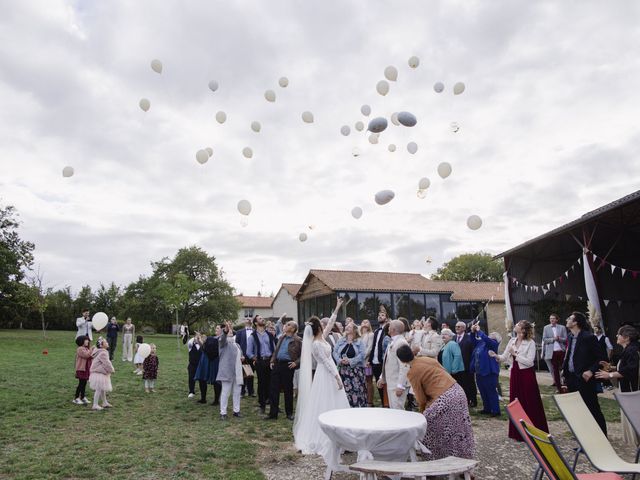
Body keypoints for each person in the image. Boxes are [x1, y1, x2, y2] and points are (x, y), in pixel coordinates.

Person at [293, 297, 348, 464]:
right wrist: (337, 377)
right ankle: (325, 436)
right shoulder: (316, 344)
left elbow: (331, 322)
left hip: (327, 372)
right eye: (322, 325)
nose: (326, 327)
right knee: (325, 402)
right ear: (318, 328)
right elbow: (326, 363)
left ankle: (341, 434)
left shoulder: (322, 337)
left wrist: (337, 307)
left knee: (333, 401)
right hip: (326, 374)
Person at [397, 344, 475, 460]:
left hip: (444, 399)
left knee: (428, 428)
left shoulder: (412, 372)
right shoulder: (427, 359)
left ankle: (434, 459)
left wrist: (423, 411)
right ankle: (464, 459)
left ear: (402, 361)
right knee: (460, 429)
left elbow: (421, 398)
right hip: (457, 391)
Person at [490, 320, 548, 441]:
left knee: (530, 401)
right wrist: (495, 356)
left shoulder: (530, 343)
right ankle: (518, 432)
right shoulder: (512, 341)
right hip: (515, 373)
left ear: (523, 330)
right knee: (516, 402)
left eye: (518, 324)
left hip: (526, 374)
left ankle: (534, 430)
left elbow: (530, 362)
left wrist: (515, 354)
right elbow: (504, 357)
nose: (515, 325)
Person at [562, 311, 607, 435]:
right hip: (572, 378)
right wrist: (564, 373)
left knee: (592, 408)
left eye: (570, 318)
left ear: (576, 322)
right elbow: (570, 355)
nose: (567, 320)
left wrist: (591, 371)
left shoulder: (588, 337)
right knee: (578, 410)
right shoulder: (570, 336)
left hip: (585, 379)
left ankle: (602, 437)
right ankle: (585, 439)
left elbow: (601, 358)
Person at [596, 325, 639, 447]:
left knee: (634, 417)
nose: (616, 336)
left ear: (626, 337)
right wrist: (611, 368)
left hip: (632, 390)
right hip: (629, 389)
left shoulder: (632, 350)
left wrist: (609, 375)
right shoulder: (630, 349)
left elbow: (631, 370)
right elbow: (626, 367)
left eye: (619, 334)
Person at [267, 321, 302, 420]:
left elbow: (304, 354)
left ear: (293, 329)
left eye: (288, 325)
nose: (285, 326)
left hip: (288, 366)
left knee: (288, 390)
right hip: (277, 364)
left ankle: (289, 413)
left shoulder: (298, 340)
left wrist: (296, 362)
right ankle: (273, 414)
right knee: (273, 389)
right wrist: (272, 360)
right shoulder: (281, 337)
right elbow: (276, 350)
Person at [377, 320, 410, 410]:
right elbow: (388, 361)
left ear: (393, 329)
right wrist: (382, 377)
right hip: (391, 382)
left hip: (397, 384)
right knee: (393, 410)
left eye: (390, 326)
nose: (388, 327)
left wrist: (400, 385)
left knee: (398, 410)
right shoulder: (393, 341)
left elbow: (404, 366)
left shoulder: (401, 343)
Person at [333, 321, 367, 408]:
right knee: (344, 391)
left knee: (357, 390)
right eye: (346, 326)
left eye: (349, 326)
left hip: (356, 371)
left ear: (355, 330)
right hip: (343, 371)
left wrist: (350, 361)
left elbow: (362, 355)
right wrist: (340, 360)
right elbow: (335, 352)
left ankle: (357, 407)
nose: (347, 327)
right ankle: (344, 408)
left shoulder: (359, 341)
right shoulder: (341, 340)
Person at [247, 314, 276, 414]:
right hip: (260, 362)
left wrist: (273, 359)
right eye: (260, 319)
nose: (262, 319)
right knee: (261, 384)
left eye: (263, 318)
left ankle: (272, 404)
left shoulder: (269, 335)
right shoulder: (252, 336)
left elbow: (274, 348)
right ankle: (262, 405)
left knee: (272, 384)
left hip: (270, 361)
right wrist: (254, 358)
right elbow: (248, 352)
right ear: (255, 323)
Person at [469, 323, 500, 416]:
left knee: (491, 391)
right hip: (479, 372)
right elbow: (473, 340)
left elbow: (486, 339)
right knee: (482, 391)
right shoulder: (481, 343)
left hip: (489, 372)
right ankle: (487, 408)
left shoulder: (493, 344)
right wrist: (472, 332)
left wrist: (479, 331)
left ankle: (495, 410)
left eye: (493, 334)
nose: (491, 334)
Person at [217, 321, 244, 420]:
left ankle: (236, 411)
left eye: (231, 330)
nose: (230, 332)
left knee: (237, 392)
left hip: (237, 372)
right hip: (227, 371)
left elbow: (240, 355)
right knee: (225, 392)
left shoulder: (237, 345)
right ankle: (223, 413)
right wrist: (225, 330)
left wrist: (242, 357)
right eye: (229, 331)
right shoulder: (223, 343)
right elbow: (222, 338)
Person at [367, 307, 390, 405]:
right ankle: (383, 404)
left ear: (387, 318)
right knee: (378, 384)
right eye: (379, 315)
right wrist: (370, 360)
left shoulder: (388, 330)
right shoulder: (376, 331)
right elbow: (374, 347)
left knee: (386, 385)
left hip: (384, 362)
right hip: (375, 362)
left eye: (382, 315)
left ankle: (388, 405)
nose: (380, 317)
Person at [194, 326, 222, 405]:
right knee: (202, 378)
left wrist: (202, 340)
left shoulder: (222, 339)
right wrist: (199, 339)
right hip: (205, 359)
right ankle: (203, 398)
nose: (215, 329)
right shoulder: (212, 338)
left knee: (216, 380)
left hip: (215, 360)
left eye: (217, 328)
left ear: (222, 330)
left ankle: (216, 400)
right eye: (216, 328)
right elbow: (203, 347)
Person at [542, 313, 567, 393]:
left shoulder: (562, 327)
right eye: (550, 318)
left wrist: (559, 338)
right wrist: (553, 339)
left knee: (564, 368)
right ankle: (558, 387)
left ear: (557, 319)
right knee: (555, 370)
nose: (552, 320)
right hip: (552, 352)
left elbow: (566, 339)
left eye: (553, 318)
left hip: (561, 350)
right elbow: (544, 339)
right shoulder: (546, 328)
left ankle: (566, 384)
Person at [454, 321, 478, 407]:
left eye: (459, 327)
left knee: (470, 383)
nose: (457, 328)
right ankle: (464, 401)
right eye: (456, 326)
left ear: (464, 328)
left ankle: (473, 400)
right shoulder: (453, 338)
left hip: (467, 365)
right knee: (460, 384)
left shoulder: (469, 338)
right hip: (457, 367)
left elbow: (473, 352)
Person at [89, 337, 114, 411]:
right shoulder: (103, 353)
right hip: (99, 372)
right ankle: (95, 404)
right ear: (102, 345)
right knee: (99, 389)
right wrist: (112, 370)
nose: (107, 343)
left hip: (98, 372)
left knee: (102, 388)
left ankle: (104, 402)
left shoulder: (99, 351)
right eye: (106, 342)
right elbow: (107, 363)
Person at [235, 317, 255, 397]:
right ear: (244, 322)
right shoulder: (239, 332)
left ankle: (251, 391)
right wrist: (240, 355)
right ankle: (242, 391)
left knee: (251, 374)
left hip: (253, 356)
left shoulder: (255, 331)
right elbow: (237, 344)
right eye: (246, 318)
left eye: (250, 318)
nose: (249, 319)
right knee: (242, 374)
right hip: (243, 356)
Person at [359, 320, 375, 406]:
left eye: (367, 322)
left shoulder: (371, 335)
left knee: (369, 381)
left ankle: (370, 401)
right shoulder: (358, 336)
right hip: (358, 362)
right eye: (363, 322)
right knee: (361, 380)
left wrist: (361, 357)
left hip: (366, 361)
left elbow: (369, 348)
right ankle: (363, 398)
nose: (364, 323)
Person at [73, 335, 92, 405]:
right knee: (81, 383)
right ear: (81, 341)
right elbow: (86, 355)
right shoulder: (80, 349)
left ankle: (83, 397)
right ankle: (76, 398)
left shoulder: (86, 349)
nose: (88, 341)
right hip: (81, 369)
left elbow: (90, 356)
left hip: (86, 369)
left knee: (84, 383)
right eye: (86, 340)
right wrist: (92, 350)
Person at [187, 332, 203, 399]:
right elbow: (190, 342)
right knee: (191, 378)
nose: (197, 338)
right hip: (192, 364)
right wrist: (196, 337)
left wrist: (200, 339)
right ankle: (191, 392)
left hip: (201, 365)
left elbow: (204, 345)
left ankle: (203, 393)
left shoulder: (202, 345)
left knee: (201, 380)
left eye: (199, 336)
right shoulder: (191, 344)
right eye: (196, 337)